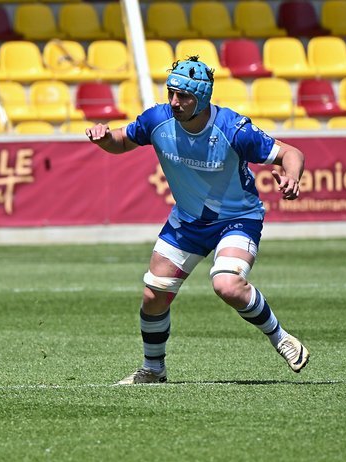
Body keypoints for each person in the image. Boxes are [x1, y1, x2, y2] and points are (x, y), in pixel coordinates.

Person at [86, 56, 310, 384]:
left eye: (184, 96)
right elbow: (121, 140)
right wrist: (104, 138)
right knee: (154, 296)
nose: (174, 102)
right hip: (187, 222)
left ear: (202, 97)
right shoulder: (157, 119)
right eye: (171, 93)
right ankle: (153, 370)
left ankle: (280, 338)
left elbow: (292, 153)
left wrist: (291, 177)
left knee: (227, 285)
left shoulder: (234, 129)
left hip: (237, 220)